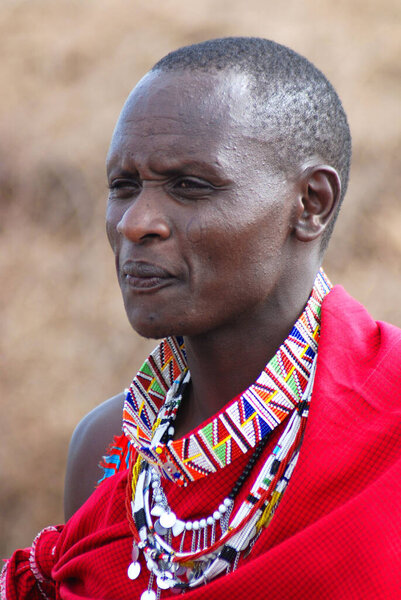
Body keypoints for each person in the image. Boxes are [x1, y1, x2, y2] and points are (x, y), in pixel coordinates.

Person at [2, 37, 401, 600]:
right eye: (124, 186)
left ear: (311, 203)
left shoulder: (391, 419)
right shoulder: (107, 451)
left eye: (190, 186)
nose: (134, 223)